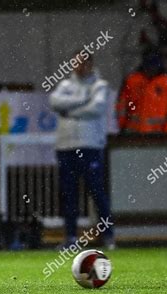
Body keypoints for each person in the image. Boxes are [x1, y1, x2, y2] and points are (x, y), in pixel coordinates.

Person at [49, 51, 114, 250]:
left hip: (90, 146)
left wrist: (69, 111)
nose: (80, 66)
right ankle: (70, 237)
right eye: (76, 63)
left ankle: (108, 236)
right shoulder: (65, 85)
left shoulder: (99, 85)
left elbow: (97, 108)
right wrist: (83, 100)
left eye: (84, 63)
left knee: (97, 193)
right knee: (69, 194)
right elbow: (54, 102)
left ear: (90, 64)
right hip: (66, 147)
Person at [116, 51, 167, 133]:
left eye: (153, 65)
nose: (151, 69)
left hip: (159, 135)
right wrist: (123, 129)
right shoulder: (131, 80)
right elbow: (121, 107)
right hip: (133, 134)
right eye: (149, 66)